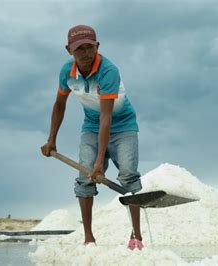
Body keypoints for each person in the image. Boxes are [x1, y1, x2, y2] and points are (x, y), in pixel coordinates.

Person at [40, 25, 144, 250]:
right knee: (84, 177)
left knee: (128, 175)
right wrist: (51, 139)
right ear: (69, 50)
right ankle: (89, 239)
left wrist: (100, 164)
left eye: (90, 47)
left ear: (98, 46)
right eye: (80, 49)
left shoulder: (108, 71)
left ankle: (136, 237)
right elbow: (59, 105)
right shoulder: (66, 72)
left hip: (123, 126)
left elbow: (106, 117)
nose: (86, 53)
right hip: (91, 126)